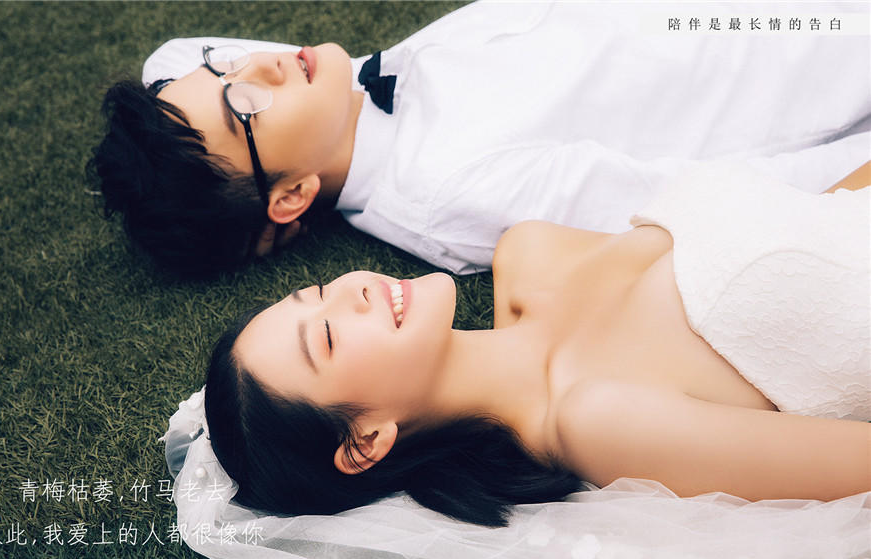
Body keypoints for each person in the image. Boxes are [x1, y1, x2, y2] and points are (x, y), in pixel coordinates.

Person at [188, 160, 870, 531]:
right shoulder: (598, 419)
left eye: (316, 291)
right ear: (366, 440)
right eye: (329, 336)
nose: (353, 290)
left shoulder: (531, 253)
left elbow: (815, 225)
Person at [90, 1, 871, 278]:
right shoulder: (449, 192)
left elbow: (171, 58)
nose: (256, 63)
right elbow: (706, 200)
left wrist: (217, 113)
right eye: (243, 103)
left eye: (225, 67)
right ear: (291, 195)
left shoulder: (334, 97)